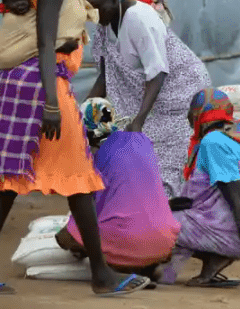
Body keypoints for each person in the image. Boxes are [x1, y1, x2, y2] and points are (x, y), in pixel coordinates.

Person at [0, 0, 150, 295]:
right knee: (79, 176)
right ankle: (101, 275)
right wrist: (51, 102)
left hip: (22, 85)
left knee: (6, 179)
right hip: (43, 87)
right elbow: (46, 42)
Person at [84, 0, 211, 198]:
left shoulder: (138, 18)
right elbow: (105, 76)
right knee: (132, 155)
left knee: (165, 159)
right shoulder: (104, 25)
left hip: (178, 93)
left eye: (97, 8)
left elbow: (158, 72)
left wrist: (139, 120)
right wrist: (83, 114)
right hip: (150, 97)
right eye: (89, 11)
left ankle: (167, 208)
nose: (94, 16)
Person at [157, 88, 240, 294]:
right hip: (226, 230)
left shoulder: (214, 143)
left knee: (148, 225)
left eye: (191, 116)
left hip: (226, 233)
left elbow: (238, 201)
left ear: (199, 115)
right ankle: (213, 260)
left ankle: (220, 252)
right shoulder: (235, 135)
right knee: (162, 274)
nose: (190, 122)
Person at [56, 98, 180, 279]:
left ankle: (121, 266)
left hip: (127, 239)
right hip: (164, 242)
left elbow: (87, 208)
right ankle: (144, 266)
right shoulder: (143, 142)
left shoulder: (94, 157)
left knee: (67, 236)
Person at [0, 0, 80, 69]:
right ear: (5, 2)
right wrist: (61, 45)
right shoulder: (13, 18)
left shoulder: (26, 12)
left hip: (10, 59)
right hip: (7, 59)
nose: (21, 4)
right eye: (16, 0)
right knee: (41, 39)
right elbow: (41, 39)